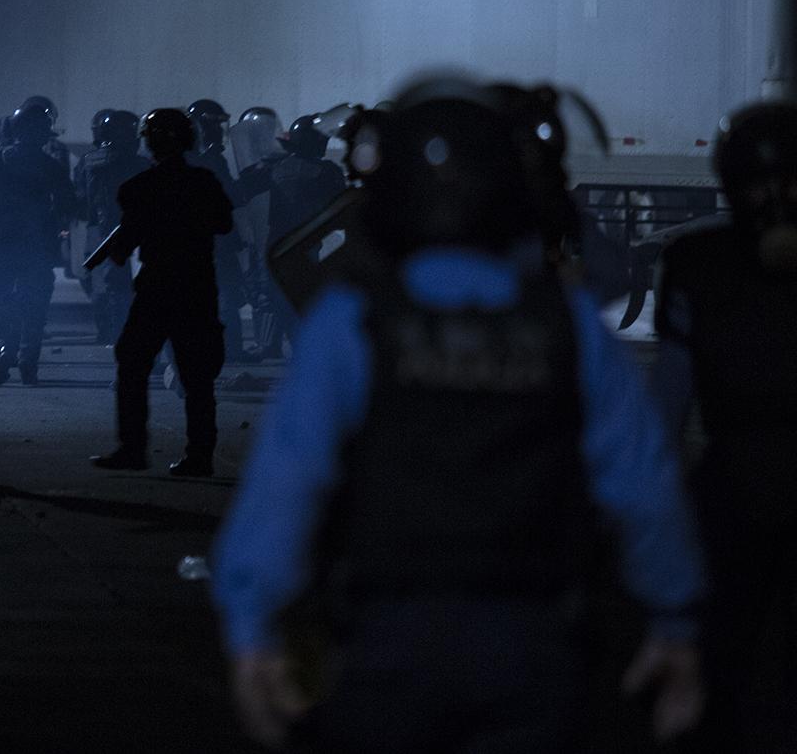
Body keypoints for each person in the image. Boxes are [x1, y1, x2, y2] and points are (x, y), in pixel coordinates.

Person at [212, 78, 704, 752]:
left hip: (391, 636)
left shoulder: (353, 320)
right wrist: (675, 618)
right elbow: (644, 485)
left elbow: (288, 480)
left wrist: (252, 626)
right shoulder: (568, 327)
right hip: (535, 640)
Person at [651, 100, 797, 750]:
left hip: (732, 483)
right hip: (739, 480)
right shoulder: (699, 262)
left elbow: (666, 410)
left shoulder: (697, 261)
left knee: (724, 659)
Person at [92, 108, 233, 475]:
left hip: (157, 290)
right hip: (198, 287)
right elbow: (224, 224)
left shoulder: (139, 188)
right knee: (198, 376)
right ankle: (200, 456)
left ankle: (133, 449)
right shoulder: (204, 181)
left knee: (133, 363)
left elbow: (122, 252)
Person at [0, 103, 78, 385]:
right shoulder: (50, 166)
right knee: (35, 306)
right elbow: (70, 203)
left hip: (1, 245)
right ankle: (28, 362)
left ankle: (1, 347)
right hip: (39, 246)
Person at [230, 117, 346, 359]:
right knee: (303, 296)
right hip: (307, 242)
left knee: (275, 294)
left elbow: (244, 189)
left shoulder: (275, 168)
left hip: (276, 241)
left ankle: (272, 344)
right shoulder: (326, 171)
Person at [187, 98, 255, 359]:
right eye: (214, 125)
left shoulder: (187, 157)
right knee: (226, 293)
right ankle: (231, 348)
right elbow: (230, 196)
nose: (219, 131)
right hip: (213, 239)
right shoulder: (211, 160)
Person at [77, 109, 148, 345]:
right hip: (136, 233)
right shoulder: (141, 164)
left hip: (103, 231)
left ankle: (115, 334)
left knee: (110, 288)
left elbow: (82, 198)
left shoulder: (90, 162)